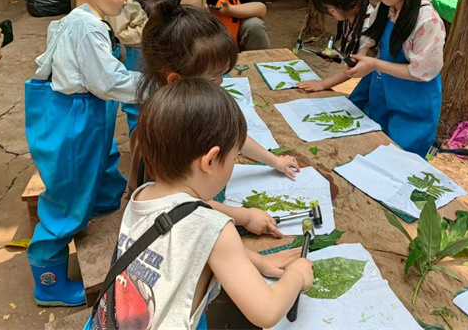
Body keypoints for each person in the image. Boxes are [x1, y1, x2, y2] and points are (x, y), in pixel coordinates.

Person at [91, 78, 313, 330]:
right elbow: (267, 311)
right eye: (234, 156)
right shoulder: (215, 229)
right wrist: (297, 276)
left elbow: (196, 233)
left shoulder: (143, 195)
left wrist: (259, 262)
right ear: (210, 161)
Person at [126, 0, 300, 238]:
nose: (220, 83)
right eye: (213, 78)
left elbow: (232, 136)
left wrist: (274, 161)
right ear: (175, 79)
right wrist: (244, 216)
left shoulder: (191, 105)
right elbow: (183, 204)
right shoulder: (168, 132)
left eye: (223, 74)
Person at [25, 0, 141, 307]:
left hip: (88, 116)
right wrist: (155, 85)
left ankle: (103, 213)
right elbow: (108, 82)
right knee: (67, 199)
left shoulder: (79, 20)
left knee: (104, 166)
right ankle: (48, 281)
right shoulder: (87, 27)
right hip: (76, 120)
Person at [345, 0, 445, 158]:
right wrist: (364, 52)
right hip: (383, 98)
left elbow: (420, 71)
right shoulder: (386, 7)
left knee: (399, 162)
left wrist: (375, 64)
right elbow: (372, 36)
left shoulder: (427, 21)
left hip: (412, 113)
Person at [99, 0, 160, 135]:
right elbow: (123, 34)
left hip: (152, 51)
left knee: (155, 99)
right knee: (137, 102)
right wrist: (154, 27)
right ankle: (139, 142)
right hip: (134, 55)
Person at [296, 0, 375, 94]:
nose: (329, 13)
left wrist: (323, 84)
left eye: (331, 9)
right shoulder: (352, 16)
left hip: (374, 81)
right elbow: (352, 45)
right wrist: (337, 53)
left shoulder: (367, 27)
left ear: (352, 3)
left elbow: (353, 68)